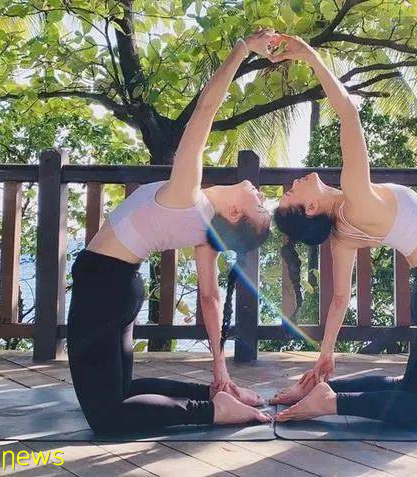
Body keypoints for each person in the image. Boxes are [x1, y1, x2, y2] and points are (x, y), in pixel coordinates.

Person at [67, 29, 281, 434]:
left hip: (104, 286)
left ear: (235, 212)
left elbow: (206, 109)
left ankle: (212, 412)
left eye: (258, 203)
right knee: (123, 390)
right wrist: (220, 371)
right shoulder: (205, 230)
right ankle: (216, 397)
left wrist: (242, 49)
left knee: (107, 417)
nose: (259, 192)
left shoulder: (187, 195)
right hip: (118, 285)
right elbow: (209, 297)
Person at [269, 35, 417, 429]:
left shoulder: (343, 231)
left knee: (412, 385)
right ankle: (330, 404)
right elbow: (348, 113)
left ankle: (323, 395)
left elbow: (340, 299)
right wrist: (311, 57)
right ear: (310, 207)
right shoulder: (355, 199)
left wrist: (324, 356)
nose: (292, 184)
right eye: (291, 194)